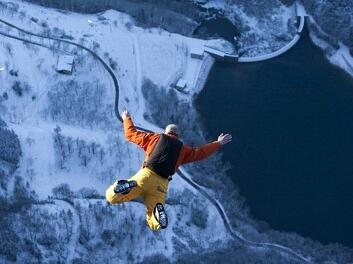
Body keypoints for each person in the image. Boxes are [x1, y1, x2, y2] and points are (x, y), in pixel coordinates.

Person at [106, 110, 232, 231]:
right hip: (161, 185)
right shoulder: (184, 150)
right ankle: (157, 213)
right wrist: (218, 143)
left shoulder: (154, 138)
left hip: (145, 176)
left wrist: (126, 118)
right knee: (154, 222)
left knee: (111, 197)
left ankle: (123, 187)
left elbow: (130, 134)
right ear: (177, 136)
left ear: (165, 132)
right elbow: (201, 153)